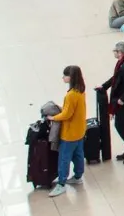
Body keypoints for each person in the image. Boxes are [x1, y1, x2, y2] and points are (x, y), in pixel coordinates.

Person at [46, 65, 88, 197]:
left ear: (70, 77)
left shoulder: (70, 95)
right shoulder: (81, 91)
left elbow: (67, 115)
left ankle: (61, 184)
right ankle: (78, 176)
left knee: (64, 158)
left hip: (69, 133)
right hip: (80, 130)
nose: (63, 78)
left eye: (65, 75)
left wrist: (53, 117)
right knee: (78, 155)